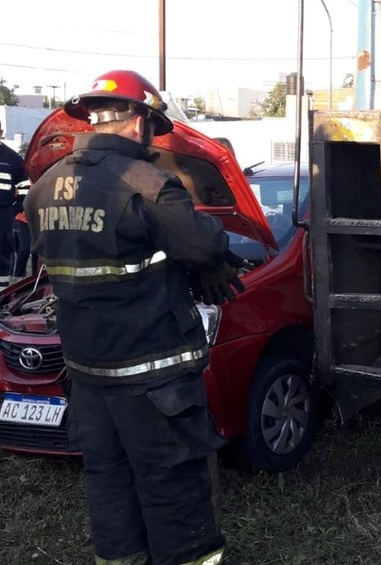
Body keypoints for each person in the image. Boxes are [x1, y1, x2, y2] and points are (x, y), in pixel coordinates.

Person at [25, 70, 245, 565]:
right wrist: (211, 260)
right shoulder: (148, 184)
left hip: (87, 374)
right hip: (152, 375)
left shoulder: (45, 187)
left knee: (108, 478)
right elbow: (204, 244)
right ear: (141, 123)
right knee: (173, 481)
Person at [0, 119, 27, 287]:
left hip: (3, 212)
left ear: (1, 133)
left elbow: (24, 183)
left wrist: (17, 207)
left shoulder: (12, 158)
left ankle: (2, 289)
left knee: (3, 247)